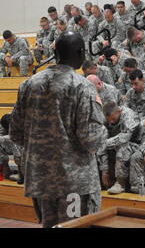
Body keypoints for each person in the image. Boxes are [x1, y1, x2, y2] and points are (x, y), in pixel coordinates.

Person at [9, 31, 107, 228]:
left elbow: (16, 134)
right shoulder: (82, 87)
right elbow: (91, 141)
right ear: (81, 53)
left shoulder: (28, 84)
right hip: (74, 183)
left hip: (41, 180)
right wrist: (103, 125)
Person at [0, 113, 23, 183]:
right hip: (9, 145)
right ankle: (4, 171)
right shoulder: (2, 125)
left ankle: (22, 173)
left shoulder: (21, 122)